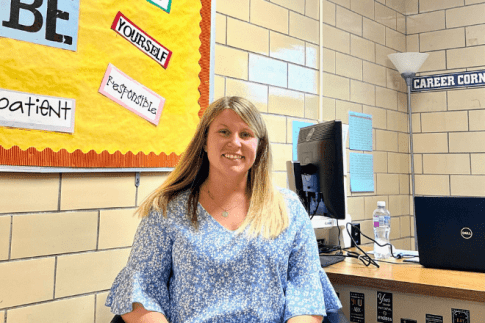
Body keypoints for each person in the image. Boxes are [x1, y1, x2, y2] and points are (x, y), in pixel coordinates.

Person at [106, 96, 342, 323]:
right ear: (205, 143)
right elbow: (140, 293)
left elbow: (306, 294)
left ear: (259, 147)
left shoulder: (287, 208)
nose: (235, 142)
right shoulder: (167, 209)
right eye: (224, 131)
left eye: (246, 134)